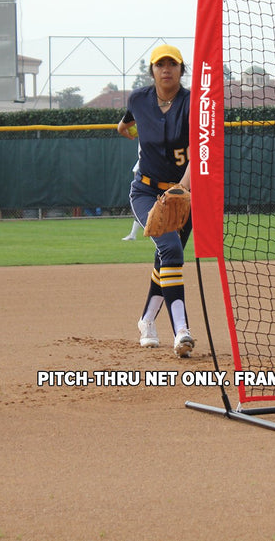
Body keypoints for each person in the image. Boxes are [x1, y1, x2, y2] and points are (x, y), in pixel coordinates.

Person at [117, 44, 194, 358]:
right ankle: (182, 331)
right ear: (152, 71)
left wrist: (181, 190)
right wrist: (126, 130)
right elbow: (124, 124)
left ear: (180, 69)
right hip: (146, 192)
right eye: (160, 64)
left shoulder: (193, 103)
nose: (166, 69)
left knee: (166, 258)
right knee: (172, 249)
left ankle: (147, 321)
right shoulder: (138, 100)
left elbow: (202, 150)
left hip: (183, 194)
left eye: (172, 64)